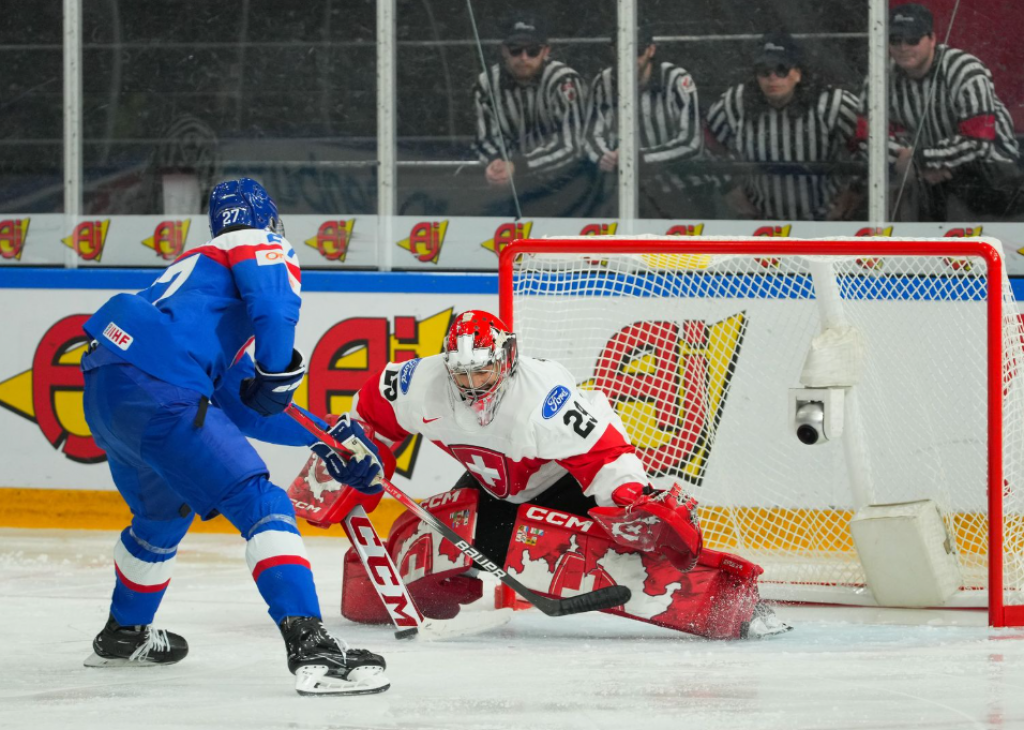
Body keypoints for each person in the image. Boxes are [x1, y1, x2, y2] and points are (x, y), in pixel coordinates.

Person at [79, 177, 390, 696]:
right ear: (269, 218)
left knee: (161, 515)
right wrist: (277, 371)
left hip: (108, 386)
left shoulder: (195, 284)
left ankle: (124, 633)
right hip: (160, 382)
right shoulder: (257, 242)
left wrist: (326, 440)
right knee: (261, 501)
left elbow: (237, 401)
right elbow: (273, 314)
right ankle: (311, 647)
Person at [335, 310, 789, 641]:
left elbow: (604, 454)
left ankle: (741, 608)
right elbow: (370, 418)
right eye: (463, 374)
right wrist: (363, 456)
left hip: (563, 486)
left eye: (483, 371)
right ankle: (374, 593)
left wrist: (630, 497)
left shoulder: (544, 399)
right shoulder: (419, 384)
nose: (473, 385)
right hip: (493, 488)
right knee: (456, 532)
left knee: (631, 556)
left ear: (507, 358)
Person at [881, 3, 1023, 221]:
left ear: (932, 39)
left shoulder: (965, 70)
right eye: (895, 40)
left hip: (993, 177)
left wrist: (920, 159)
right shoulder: (881, 75)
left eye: (912, 39)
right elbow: (867, 137)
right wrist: (917, 163)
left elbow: (979, 142)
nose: (903, 47)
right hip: (930, 179)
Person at [706, 31, 865, 221]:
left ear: (797, 73)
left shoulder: (831, 103)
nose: (772, 77)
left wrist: (854, 192)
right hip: (761, 224)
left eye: (781, 69)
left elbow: (872, 143)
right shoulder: (736, 103)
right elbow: (706, 141)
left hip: (824, 221)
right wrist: (729, 189)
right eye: (764, 70)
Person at [471, 11, 590, 217]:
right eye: (516, 50)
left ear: (546, 51)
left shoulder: (564, 81)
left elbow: (571, 146)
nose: (524, 58)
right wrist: (495, 162)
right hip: (511, 189)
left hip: (567, 187)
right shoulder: (486, 84)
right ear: (504, 51)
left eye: (532, 50)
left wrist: (517, 166)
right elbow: (486, 137)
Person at [584, 25, 709, 218]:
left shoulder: (676, 79)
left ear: (652, 50)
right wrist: (605, 156)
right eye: (622, 50)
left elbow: (691, 142)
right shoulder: (603, 82)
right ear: (612, 51)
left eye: (637, 51)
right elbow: (592, 134)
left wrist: (636, 158)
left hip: (685, 190)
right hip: (630, 193)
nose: (629, 58)